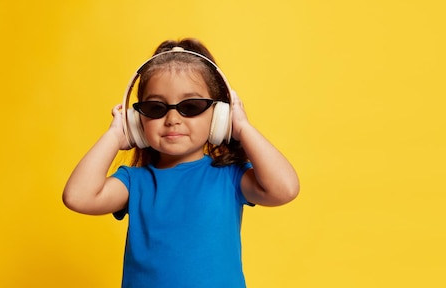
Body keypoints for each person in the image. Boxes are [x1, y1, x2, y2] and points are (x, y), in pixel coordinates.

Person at [62, 38, 299, 287]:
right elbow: (78, 197)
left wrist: (242, 127)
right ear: (136, 122)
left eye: (191, 106)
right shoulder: (135, 182)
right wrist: (114, 136)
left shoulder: (229, 177)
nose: (172, 118)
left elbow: (285, 189)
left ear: (219, 115)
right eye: (155, 108)